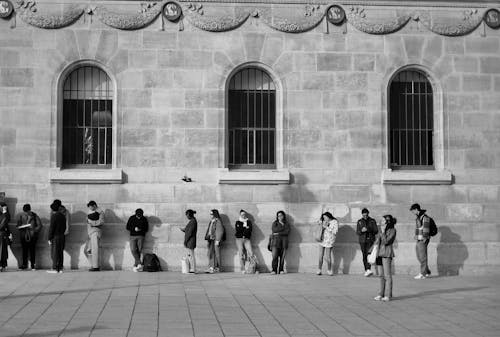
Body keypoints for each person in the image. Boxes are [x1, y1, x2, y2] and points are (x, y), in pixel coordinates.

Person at [373, 214, 397, 302]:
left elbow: (386, 241)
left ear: (387, 221)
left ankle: (388, 295)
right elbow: (376, 242)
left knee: (387, 275)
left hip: (386, 254)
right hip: (379, 254)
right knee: (381, 275)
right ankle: (381, 294)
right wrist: (370, 252)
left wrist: (383, 233)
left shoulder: (392, 230)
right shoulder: (381, 230)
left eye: (383, 220)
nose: (381, 222)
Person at [16, 204, 42, 270]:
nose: (26, 213)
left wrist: (34, 230)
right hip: (24, 235)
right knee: (24, 251)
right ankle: (24, 265)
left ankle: (33, 265)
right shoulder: (21, 216)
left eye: (27, 212)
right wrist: (21, 226)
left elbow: (40, 225)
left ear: (30, 210)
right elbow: (18, 225)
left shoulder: (35, 216)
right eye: (25, 212)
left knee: (32, 250)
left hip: (32, 236)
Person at [410, 203, 432, 279]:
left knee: (422, 257)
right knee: (419, 256)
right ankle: (426, 271)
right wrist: (416, 235)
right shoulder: (418, 217)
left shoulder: (425, 217)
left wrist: (425, 238)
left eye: (412, 211)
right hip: (419, 239)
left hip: (423, 239)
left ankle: (422, 273)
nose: (412, 212)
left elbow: (425, 229)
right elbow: (418, 228)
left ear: (416, 209)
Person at [356, 208, 378, 277]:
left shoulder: (372, 221)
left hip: (370, 240)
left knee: (369, 254)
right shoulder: (359, 221)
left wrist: (368, 229)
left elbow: (376, 231)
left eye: (366, 215)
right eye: (363, 215)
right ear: (362, 214)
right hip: (362, 241)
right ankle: (366, 270)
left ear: (368, 213)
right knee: (364, 255)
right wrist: (361, 231)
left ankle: (368, 269)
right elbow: (357, 232)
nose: (365, 216)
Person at [317, 212, 338, 276]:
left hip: (329, 241)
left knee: (328, 257)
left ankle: (329, 270)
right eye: (323, 218)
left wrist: (327, 227)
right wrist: (320, 222)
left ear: (329, 216)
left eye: (325, 217)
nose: (324, 219)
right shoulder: (323, 221)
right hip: (322, 240)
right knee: (320, 256)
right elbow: (318, 224)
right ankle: (319, 269)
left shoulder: (334, 222)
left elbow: (335, 231)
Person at [48, 201, 66, 273]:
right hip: (62, 235)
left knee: (55, 252)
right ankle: (60, 267)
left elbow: (52, 228)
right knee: (60, 252)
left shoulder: (54, 216)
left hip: (56, 236)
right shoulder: (62, 215)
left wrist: (49, 237)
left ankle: (55, 268)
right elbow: (64, 226)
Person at [205, 209, 225, 273]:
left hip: (215, 240)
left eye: (211, 214)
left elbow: (220, 231)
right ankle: (212, 267)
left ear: (214, 214)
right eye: (210, 214)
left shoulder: (218, 221)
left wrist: (218, 240)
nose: (210, 215)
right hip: (211, 239)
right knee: (211, 254)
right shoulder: (212, 221)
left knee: (217, 254)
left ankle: (218, 268)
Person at [270, 210, 290, 275]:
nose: (280, 217)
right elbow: (274, 230)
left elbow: (287, 232)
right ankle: (274, 270)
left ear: (283, 216)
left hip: (284, 243)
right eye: (278, 216)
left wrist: (278, 233)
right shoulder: (275, 223)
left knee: (282, 258)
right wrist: (282, 230)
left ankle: (281, 269)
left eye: (281, 215)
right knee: (275, 257)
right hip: (275, 243)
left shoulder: (286, 224)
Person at [86, 201, 104, 272]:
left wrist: (91, 223)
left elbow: (101, 222)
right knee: (88, 251)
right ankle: (94, 265)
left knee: (95, 250)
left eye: (91, 208)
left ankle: (96, 267)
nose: (91, 209)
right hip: (90, 233)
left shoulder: (100, 212)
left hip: (95, 232)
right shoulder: (90, 211)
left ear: (94, 205)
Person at [235, 209, 253, 273]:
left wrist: (244, 230)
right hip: (239, 239)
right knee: (241, 254)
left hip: (247, 239)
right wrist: (245, 228)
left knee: (251, 253)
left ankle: (251, 268)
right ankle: (243, 269)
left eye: (244, 214)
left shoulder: (249, 222)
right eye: (242, 214)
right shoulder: (237, 222)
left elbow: (250, 230)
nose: (243, 215)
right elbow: (238, 230)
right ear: (240, 215)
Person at [180, 209, 197, 273]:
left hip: (190, 241)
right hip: (190, 241)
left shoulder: (192, 221)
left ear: (189, 215)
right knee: (190, 255)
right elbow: (188, 230)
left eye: (187, 215)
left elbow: (190, 233)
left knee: (191, 256)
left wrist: (185, 241)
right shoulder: (192, 221)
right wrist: (184, 230)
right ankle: (192, 269)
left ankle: (193, 269)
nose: (186, 216)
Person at [0, 202, 12, 272]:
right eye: (4, 207)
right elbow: (4, 223)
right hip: (1, 234)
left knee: (3, 251)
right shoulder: (3, 215)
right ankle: (2, 265)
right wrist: (5, 213)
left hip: (3, 234)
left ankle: (3, 265)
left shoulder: (4, 214)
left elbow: (7, 222)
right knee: (2, 251)